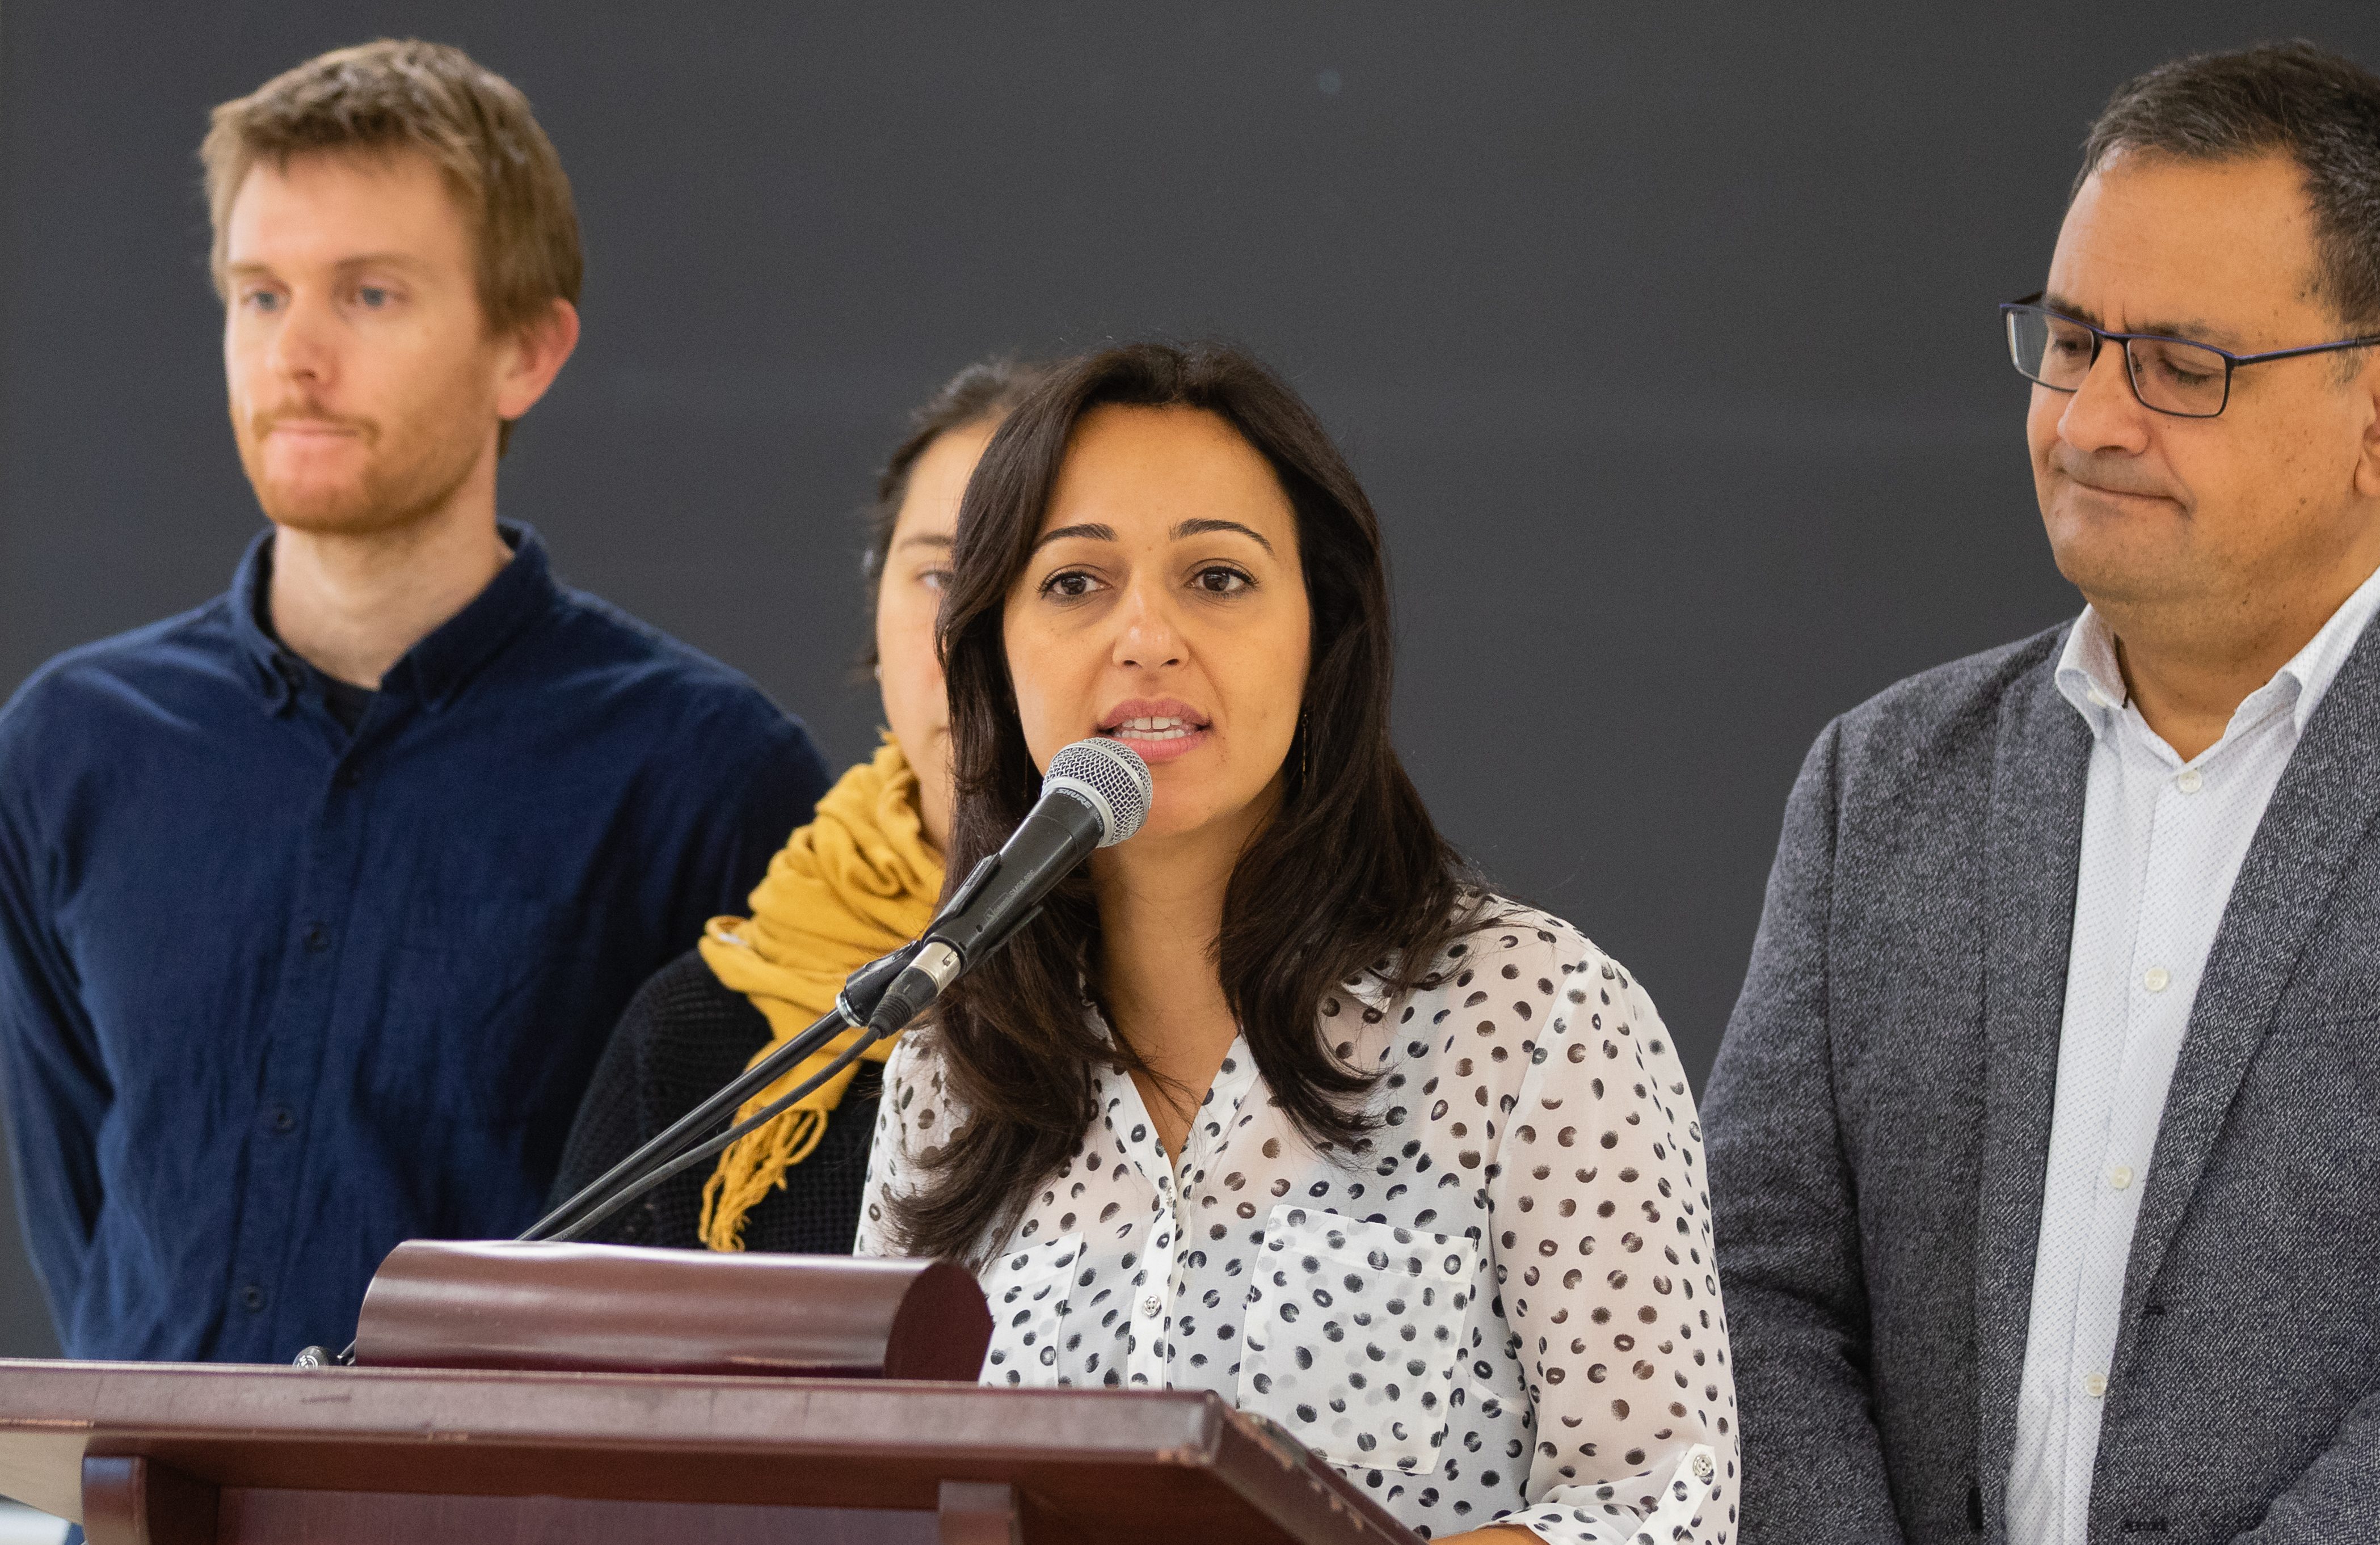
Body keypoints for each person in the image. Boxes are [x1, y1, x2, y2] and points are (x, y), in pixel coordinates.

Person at [1705, 41, 2380, 1545]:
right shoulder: (1882, 780)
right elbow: (1752, 1281)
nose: (2088, 422)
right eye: (2069, 343)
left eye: (2180, 367)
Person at [0, 40, 828, 1366]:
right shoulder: (68, 750)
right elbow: (87, 1234)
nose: (298, 356)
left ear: (527, 352)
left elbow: (743, 1271)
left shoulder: (705, 777)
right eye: (259, 294)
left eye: (371, 295)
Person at [854, 342, 1738, 1545]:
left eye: (1216, 578)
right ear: (993, 654)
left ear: (1323, 636)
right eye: (1074, 584)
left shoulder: (1540, 1018)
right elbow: (881, 1502)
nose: (1146, 636)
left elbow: (1662, 1507)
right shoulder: (945, 1063)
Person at [551, 358, 1049, 1253]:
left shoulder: (1256, 1011)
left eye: (1055, 581)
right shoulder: (703, 1037)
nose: (973, 637)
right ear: (875, 607)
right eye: (940, 576)